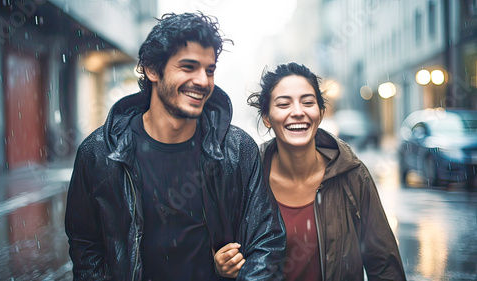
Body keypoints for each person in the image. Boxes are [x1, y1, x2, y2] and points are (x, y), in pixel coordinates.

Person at [65, 12, 286, 280]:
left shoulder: (237, 149)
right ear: (152, 69)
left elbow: (267, 240)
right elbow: (85, 247)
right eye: (188, 67)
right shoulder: (100, 152)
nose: (203, 81)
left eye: (209, 70)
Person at [214, 62, 406, 280]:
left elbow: (384, 266)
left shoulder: (352, 174)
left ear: (321, 113)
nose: (298, 112)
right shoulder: (246, 175)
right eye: (284, 104)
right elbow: (213, 250)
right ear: (266, 117)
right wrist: (221, 266)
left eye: (308, 102)